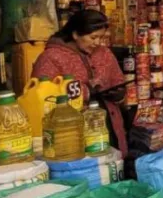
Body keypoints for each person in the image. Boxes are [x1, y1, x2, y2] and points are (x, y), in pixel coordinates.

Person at [32, 9, 129, 154]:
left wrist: (119, 95)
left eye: (101, 38)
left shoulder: (104, 53)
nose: (98, 43)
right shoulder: (50, 58)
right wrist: (86, 91)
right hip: (72, 133)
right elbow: (43, 98)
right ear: (75, 34)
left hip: (108, 126)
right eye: (93, 37)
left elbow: (118, 80)